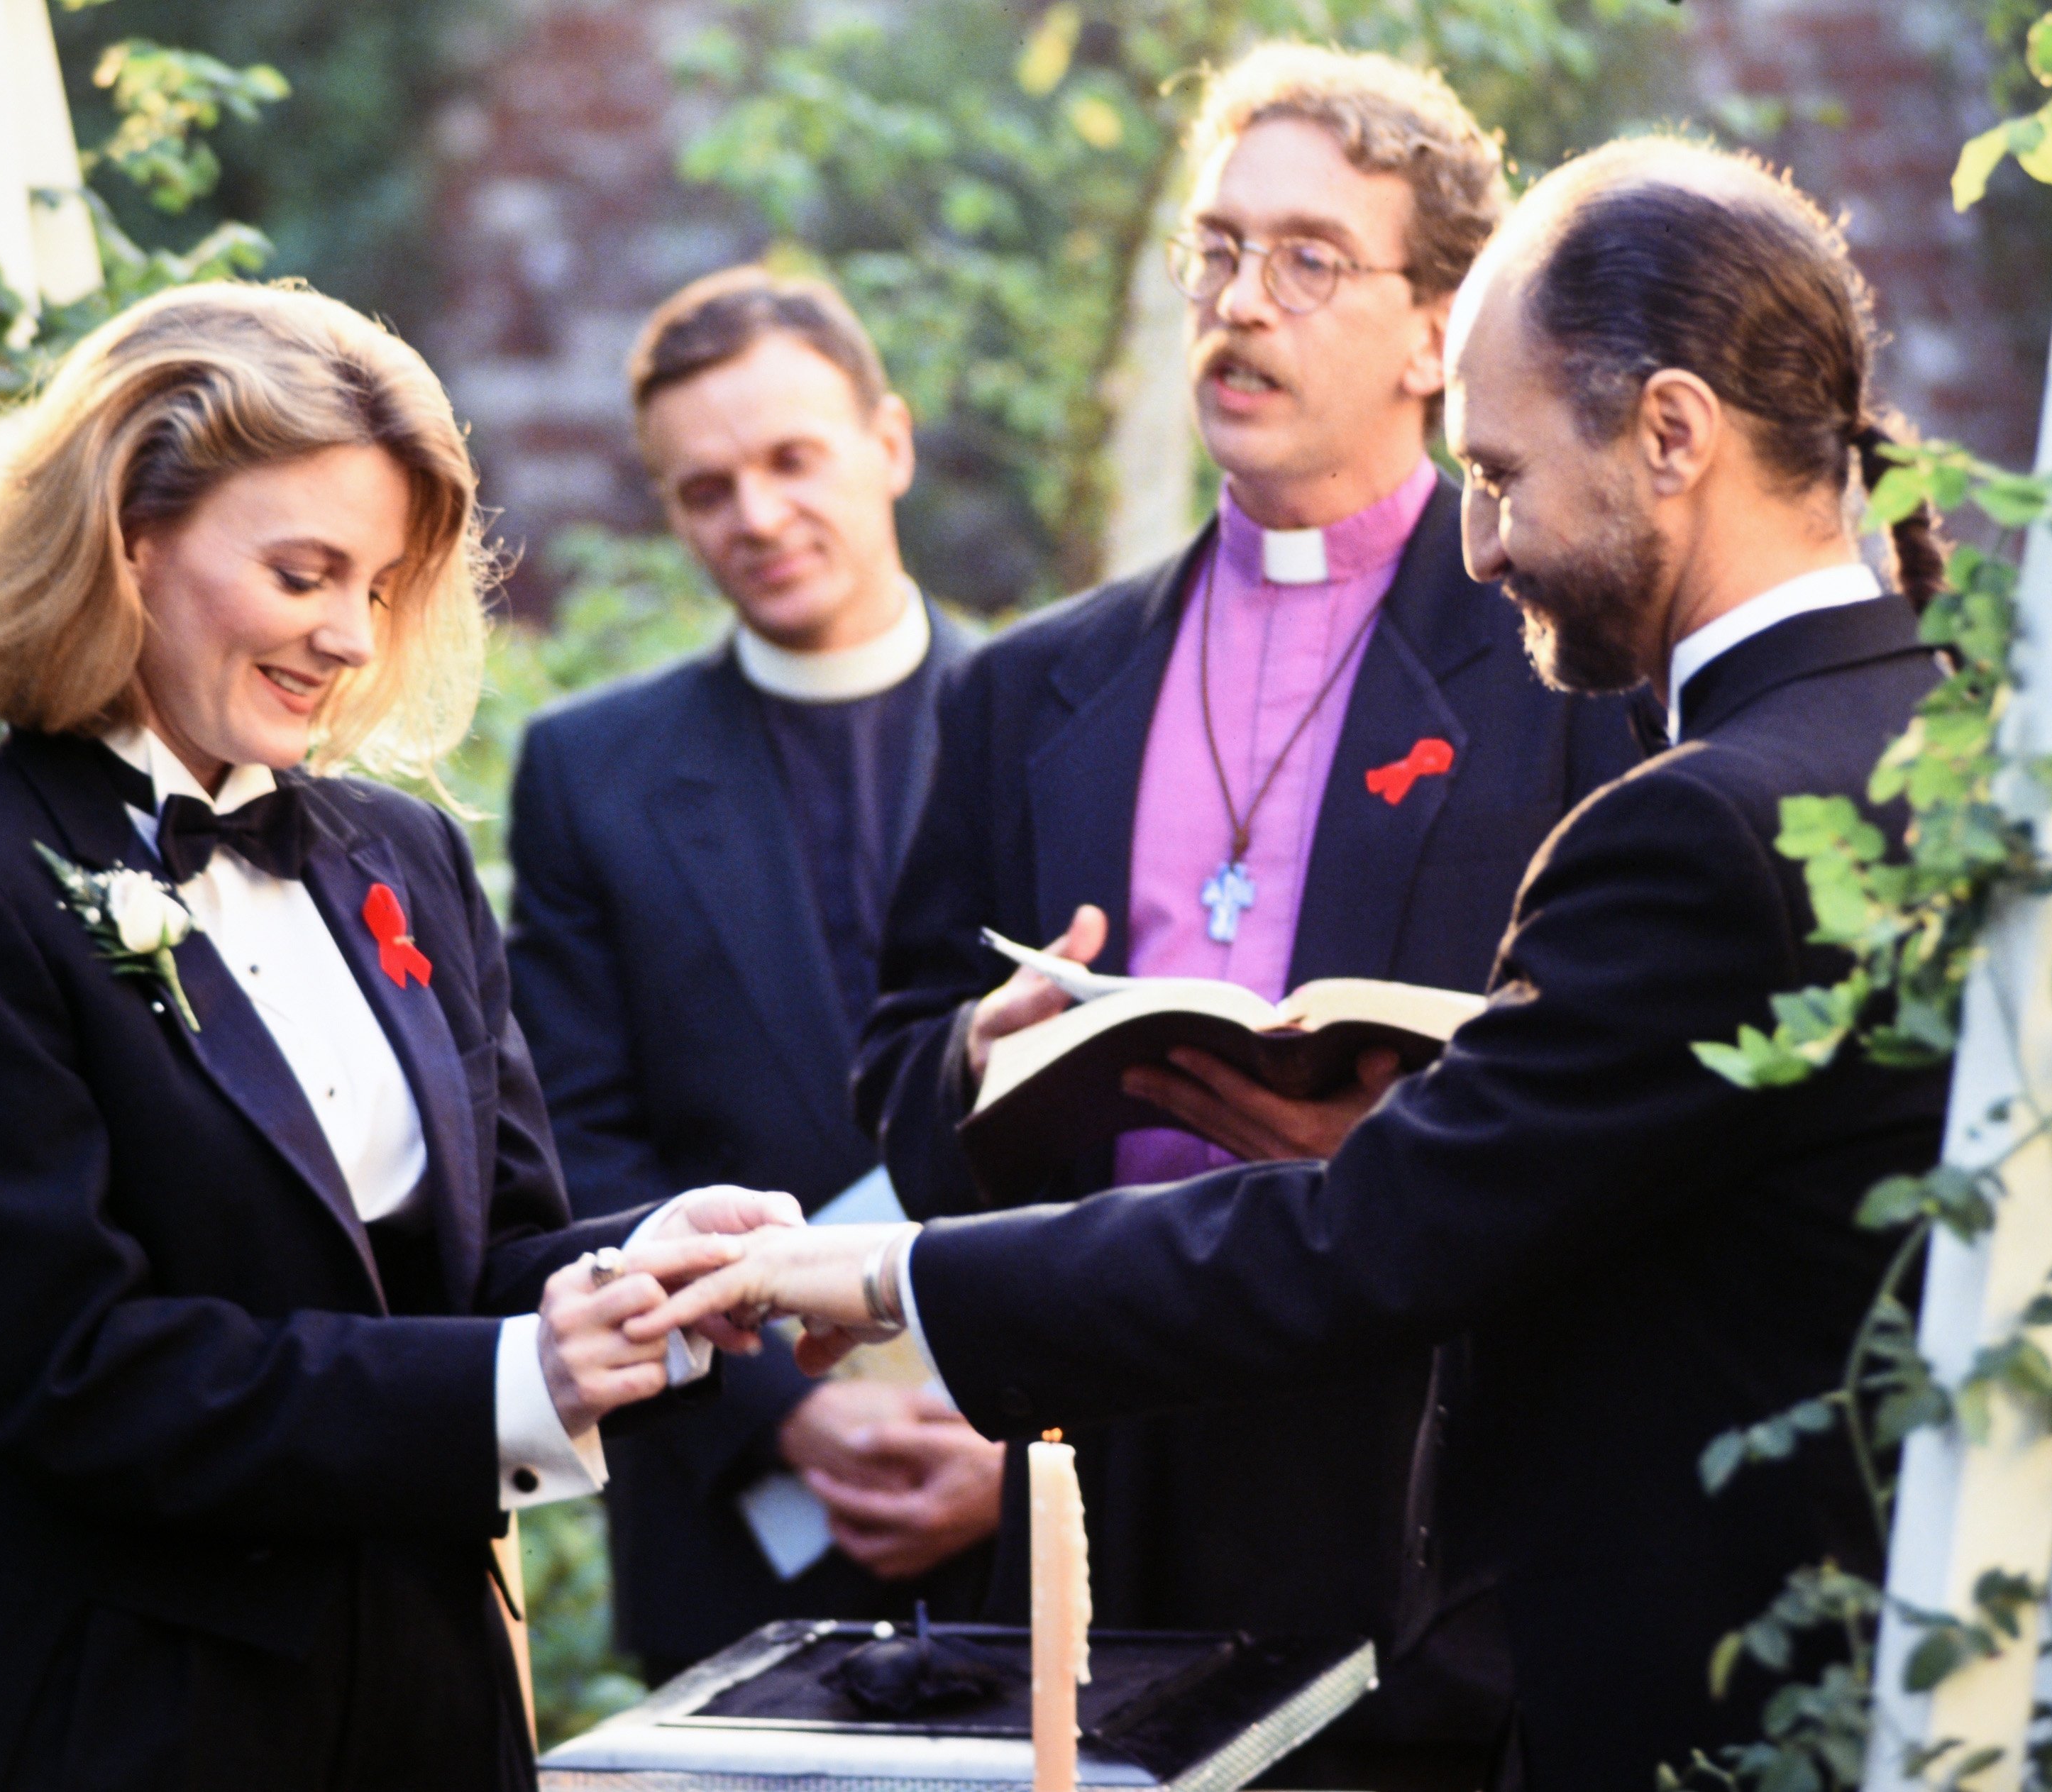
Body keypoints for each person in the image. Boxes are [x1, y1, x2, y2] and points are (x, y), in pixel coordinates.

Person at [638, 135, 1957, 1789]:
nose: (1484, 545)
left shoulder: (1694, 821)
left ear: (1674, 432)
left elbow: (1371, 1240)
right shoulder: (1946, 734)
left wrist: (892, 1278)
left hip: (1671, 1681)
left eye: (1508, 474)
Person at [0, 282, 792, 1792]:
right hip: (117, 1715)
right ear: (129, 540)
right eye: (302, 573)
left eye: (382, 585)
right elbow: (76, 1374)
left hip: (426, 1702)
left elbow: (490, 1259)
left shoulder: (402, 857)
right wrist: (514, 1383)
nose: (348, 634)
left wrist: (642, 1271)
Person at [851, 43, 1638, 1771]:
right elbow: (892, 1070)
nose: (1240, 305)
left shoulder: (1568, 674)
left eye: (1306, 260)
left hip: (1417, 1456)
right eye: (1213, 251)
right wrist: (976, 1057)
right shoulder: (1036, 685)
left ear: (1439, 332)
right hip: (1107, 1449)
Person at [507, 267, 999, 1682]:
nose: (759, 515)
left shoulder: (1060, 716)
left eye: (795, 459)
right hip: (740, 1532)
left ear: (888, 443)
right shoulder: (589, 776)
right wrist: (780, 1413)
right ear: (670, 510)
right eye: (707, 487)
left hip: (1053, 1488)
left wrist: (1019, 1431)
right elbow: (573, 1147)